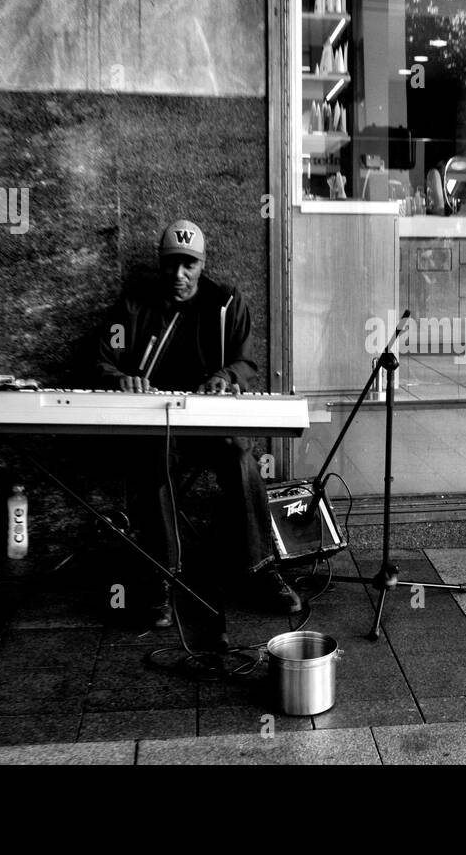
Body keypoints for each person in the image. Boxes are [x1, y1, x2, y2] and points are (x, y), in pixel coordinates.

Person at [92, 221, 301, 630]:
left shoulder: (226, 303)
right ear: (160, 264)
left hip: (210, 422)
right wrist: (120, 379)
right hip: (157, 423)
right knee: (152, 465)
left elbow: (247, 362)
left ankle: (259, 567)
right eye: (171, 264)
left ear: (203, 264)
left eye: (189, 264)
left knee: (242, 457)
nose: (179, 274)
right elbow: (101, 358)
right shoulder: (134, 306)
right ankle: (161, 579)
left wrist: (226, 376)